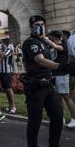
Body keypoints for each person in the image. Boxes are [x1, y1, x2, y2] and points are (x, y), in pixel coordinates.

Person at [22, 15, 75, 147]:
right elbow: (40, 60)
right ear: (31, 27)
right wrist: (61, 66)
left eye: (42, 24)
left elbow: (58, 48)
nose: (40, 27)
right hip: (36, 86)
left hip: (49, 85)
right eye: (36, 25)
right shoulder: (30, 42)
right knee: (35, 121)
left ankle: (54, 144)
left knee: (57, 118)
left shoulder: (43, 41)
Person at [46, 30, 75, 128]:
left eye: (50, 37)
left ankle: (74, 119)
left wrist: (44, 38)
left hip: (62, 74)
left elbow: (55, 47)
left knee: (66, 97)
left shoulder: (63, 45)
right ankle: (60, 117)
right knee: (58, 98)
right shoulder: (52, 45)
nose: (49, 38)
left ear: (54, 38)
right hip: (55, 74)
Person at [0, 38, 16, 114]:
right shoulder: (3, 48)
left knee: (9, 88)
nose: (1, 43)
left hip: (7, 71)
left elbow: (3, 55)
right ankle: (10, 106)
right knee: (6, 89)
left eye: (2, 41)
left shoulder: (10, 47)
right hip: (2, 71)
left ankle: (13, 106)